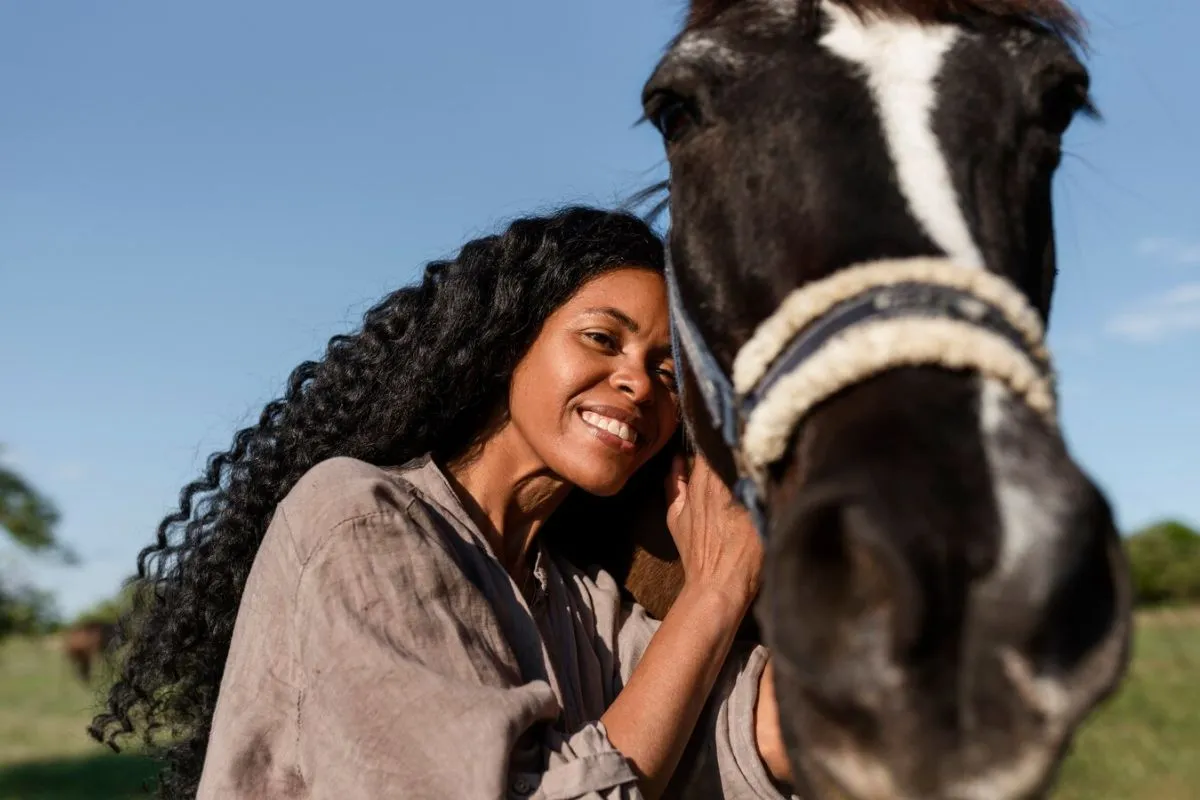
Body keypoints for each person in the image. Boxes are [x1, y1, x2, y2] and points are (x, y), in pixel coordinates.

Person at [92, 206, 794, 800]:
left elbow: (747, 732)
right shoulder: (362, 520)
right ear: (508, 343)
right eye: (602, 339)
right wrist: (717, 590)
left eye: (669, 374)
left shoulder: (579, 600)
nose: (639, 384)